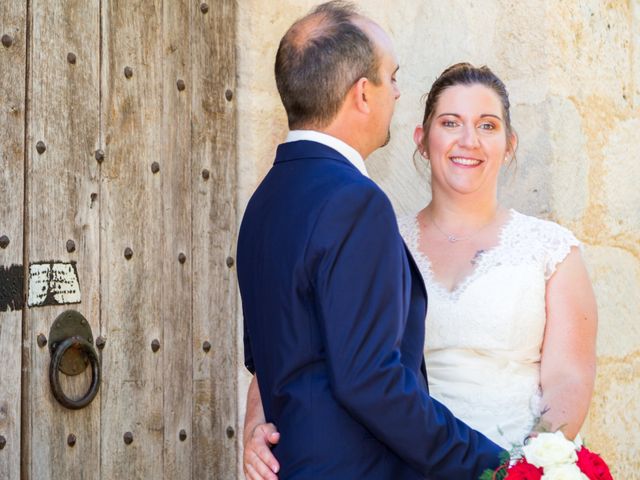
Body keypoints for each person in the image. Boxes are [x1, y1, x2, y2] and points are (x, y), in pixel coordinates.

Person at [242, 61, 598, 478]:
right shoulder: (374, 234)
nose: (470, 141)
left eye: (488, 126)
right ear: (422, 140)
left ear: (510, 143)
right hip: (393, 464)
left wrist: (526, 467)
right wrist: (255, 423)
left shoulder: (551, 248)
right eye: (451, 123)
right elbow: (297, 340)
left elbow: (568, 379)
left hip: (505, 459)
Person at [237, 2, 504, 479]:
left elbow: (268, 356)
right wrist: (491, 466)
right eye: (392, 77)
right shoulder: (356, 202)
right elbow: (371, 380)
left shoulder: (264, 202)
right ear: (363, 93)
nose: (398, 93)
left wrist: (255, 421)